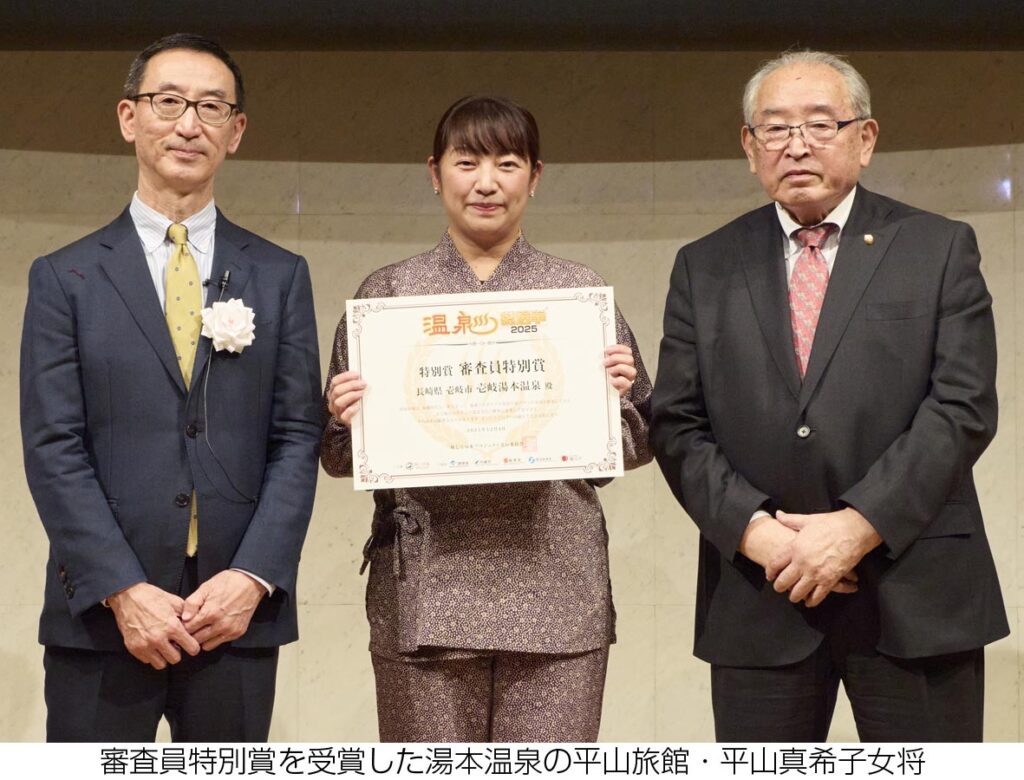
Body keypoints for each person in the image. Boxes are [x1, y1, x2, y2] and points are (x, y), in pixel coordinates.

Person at [650, 50, 1008, 742]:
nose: (797, 145)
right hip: (762, 592)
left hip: (914, 590)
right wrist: (758, 536)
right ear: (749, 147)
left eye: (821, 124)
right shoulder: (704, 265)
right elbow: (677, 424)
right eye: (775, 128)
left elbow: (962, 407)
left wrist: (857, 527)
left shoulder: (937, 248)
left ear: (865, 138)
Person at [321, 95, 652, 742]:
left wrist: (612, 400)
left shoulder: (576, 293)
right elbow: (336, 456)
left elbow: (634, 442)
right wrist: (346, 417)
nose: (486, 182)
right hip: (426, 590)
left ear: (535, 175)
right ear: (434, 172)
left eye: (507, 163)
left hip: (557, 586)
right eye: (467, 162)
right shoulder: (387, 295)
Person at [20, 33, 321, 741]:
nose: (190, 124)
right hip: (103, 617)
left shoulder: (280, 276)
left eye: (212, 107)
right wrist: (121, 590)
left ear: (235, 132)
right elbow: (53, 445)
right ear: (129, 117)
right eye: (169, 102)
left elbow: (296, 436)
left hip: (233, 616)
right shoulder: (65, 278)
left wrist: (252, 577)